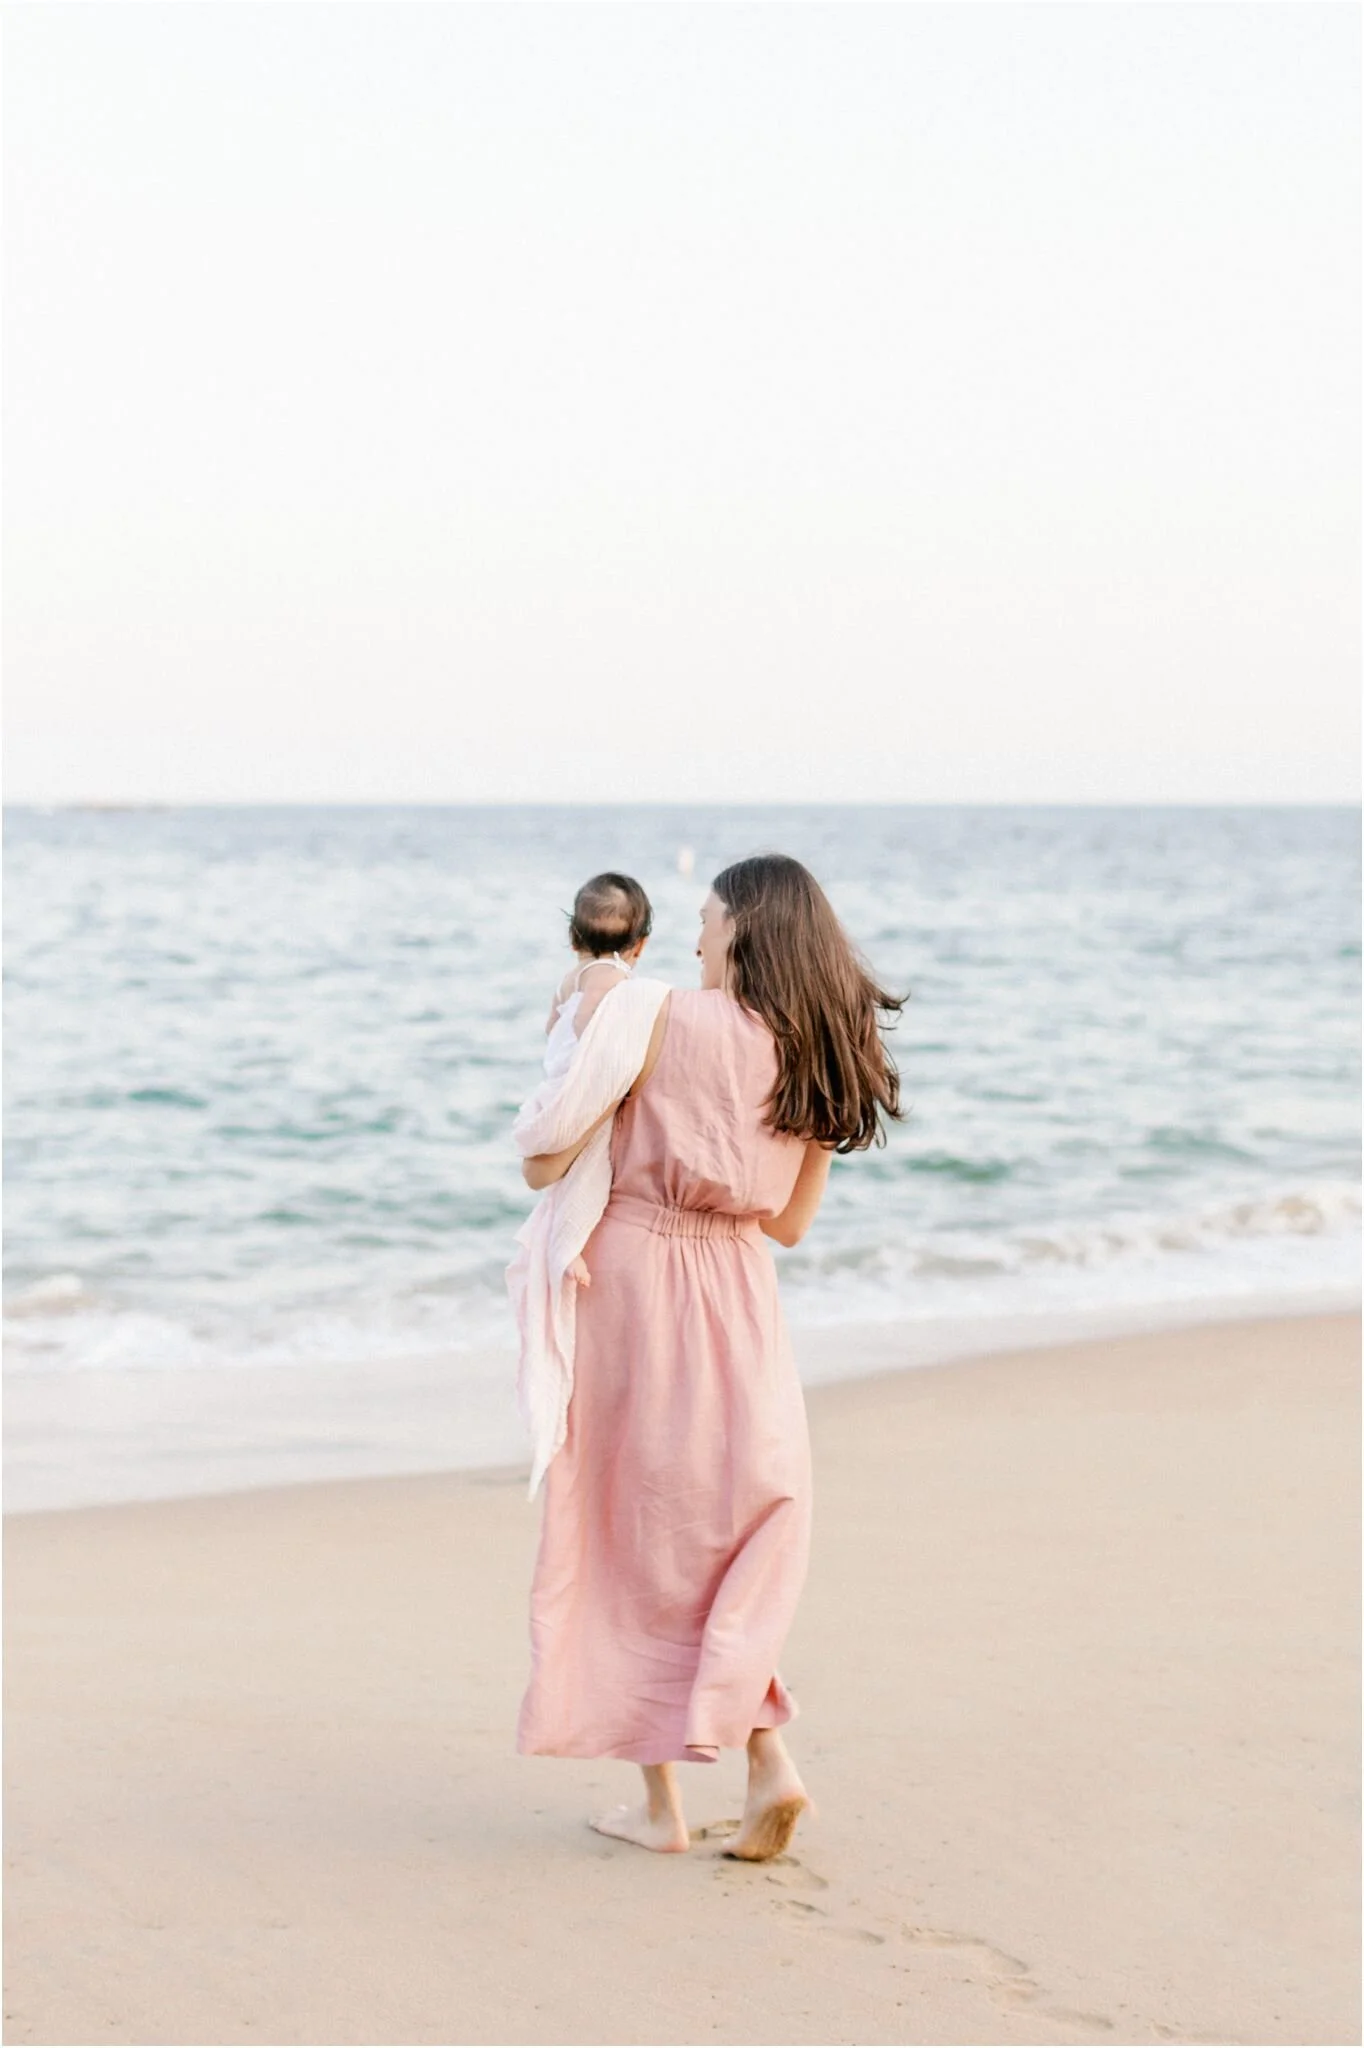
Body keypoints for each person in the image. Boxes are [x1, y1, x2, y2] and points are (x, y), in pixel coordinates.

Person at [516, 854, 903, 1859]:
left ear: (744, 930)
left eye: (707, 920)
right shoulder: (826, 1044)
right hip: (740, 1297)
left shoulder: (660, 1017)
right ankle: (766, 1756)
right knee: (729, 1531)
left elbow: (545, 1149)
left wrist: (588, 989)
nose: (695, 938)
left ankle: (660, 1807)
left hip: (638, 1281)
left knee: (632, 1527)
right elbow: (788, 1223)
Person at [539, 873, 653, 1288]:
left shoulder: (569, 978)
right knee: (593, 1170)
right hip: (583, 1086)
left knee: (573, 1176)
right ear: (639, 945)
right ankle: (569, 1248)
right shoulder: (613, 975)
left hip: (554, 1082)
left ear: (573, 938)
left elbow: (552, 1027)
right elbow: (592, 1022)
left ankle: (564, 1243)